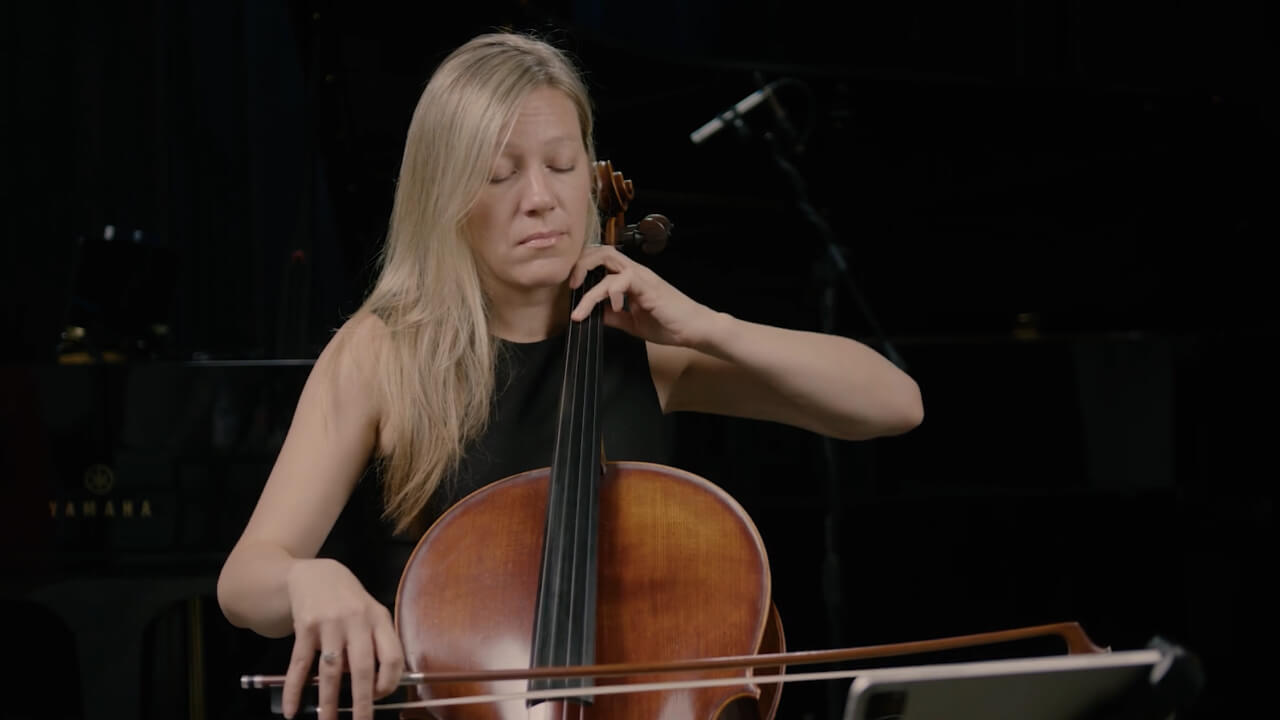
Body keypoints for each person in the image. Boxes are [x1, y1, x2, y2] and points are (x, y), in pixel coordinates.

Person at [216, 30, 923, 720]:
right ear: (447, 198)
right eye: (498, 174)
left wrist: (706, 325)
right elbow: (246, 581)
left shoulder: (638, 340)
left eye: (560, 165)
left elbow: (893, 404)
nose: (540, 199)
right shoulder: (385, 352)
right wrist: (311, 578)